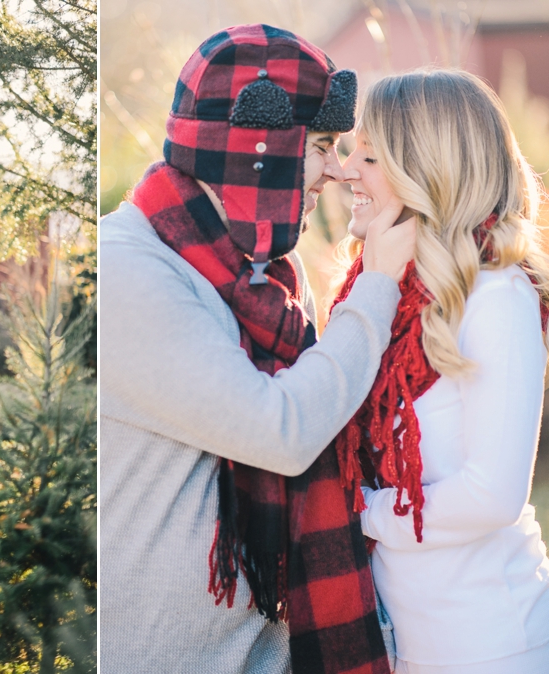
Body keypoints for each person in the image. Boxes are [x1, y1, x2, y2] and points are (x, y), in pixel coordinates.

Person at [100, 24, 415, 674]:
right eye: (322, 145)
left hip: (257, 654)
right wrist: (378, 286)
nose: (336, 169)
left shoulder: (253, 279)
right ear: (258, 150)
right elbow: (282, 429)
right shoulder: (129, 270)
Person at [334, 69, 549, 674]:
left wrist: (360, 512)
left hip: (491, 644)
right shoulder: (381, 297)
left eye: (369, 155)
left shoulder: (497, 297)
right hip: (403, 641)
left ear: (426, 171)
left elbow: (492, 495)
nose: (347, 170)